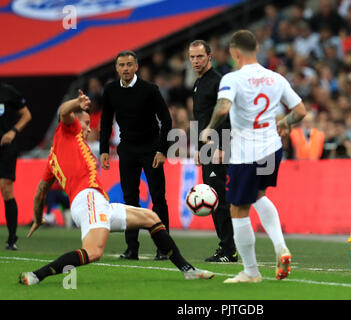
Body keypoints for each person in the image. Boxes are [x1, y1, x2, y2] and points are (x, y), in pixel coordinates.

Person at [19, 91, 213, 285]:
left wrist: (37, 218)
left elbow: (40, 193)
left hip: (97, 202)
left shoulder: (53, 159)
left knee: (152, 219)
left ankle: (188, 270)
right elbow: (63, 111)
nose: (88, 128)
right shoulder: (68, 132)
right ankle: (36, 275)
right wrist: (76, 103)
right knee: (93, 252)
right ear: (75, 121)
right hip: (88, 200)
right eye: (86, 123)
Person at [201, 30, 306, 283]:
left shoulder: (232, 78)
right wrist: (286, 122)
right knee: (259, 195)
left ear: (236, 53)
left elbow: (224, 107)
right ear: (255, 50)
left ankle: (251, 271)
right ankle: (281, 247)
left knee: (238, 208)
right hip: (272, 148)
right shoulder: (275, 78)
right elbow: (300, 111)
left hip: (246, 153)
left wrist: (208, 129)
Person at [100, 50, 172, 261]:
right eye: (122, 65)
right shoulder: (111, 90)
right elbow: (105, 121)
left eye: (129, 64)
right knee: (129, 201)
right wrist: (104, 149)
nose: (126, 69)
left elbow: (166, 121)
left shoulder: (150, 89)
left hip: (151, 150)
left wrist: (162, 150)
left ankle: (164, 249)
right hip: (128, 150)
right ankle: (132, 249)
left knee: (158, 198)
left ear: (137, 66)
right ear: (117, 68)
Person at [188, 40, 237, 262]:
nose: (196, 61)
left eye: (200, 56)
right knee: (215, 198)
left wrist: (220, 147)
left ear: (210, 56)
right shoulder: (198, 84)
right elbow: (201, 120)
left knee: (219, 199)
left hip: (219, 147)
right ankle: (226, 247)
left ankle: (229, 250)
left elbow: (226, 115)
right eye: (192, 57)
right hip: (207, 148)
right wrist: (199, 148)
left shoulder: (218, 82)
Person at [0, 82, 32, 250]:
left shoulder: (7, 92)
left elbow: (26, 115)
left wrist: (13, 131)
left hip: (6, 148)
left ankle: (12, 238)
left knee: (6, 189)